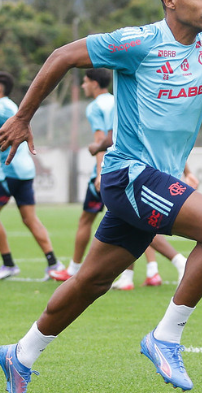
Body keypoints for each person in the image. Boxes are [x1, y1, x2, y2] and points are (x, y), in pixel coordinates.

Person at [0, 0, 202, 393]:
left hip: (157, 181)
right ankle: (166, 337)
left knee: (92, 283)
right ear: (170, 1)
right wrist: (22, 117)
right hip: (129, 174)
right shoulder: (137, 42)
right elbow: (62, 56)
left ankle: (20, 354)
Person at [56, 69, 186, 288]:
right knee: (134, 221)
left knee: (88, 220)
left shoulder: (96, 107)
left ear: (95, 84)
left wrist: (99, 173)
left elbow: (101, 140)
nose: (83, 87)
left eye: (86, 82)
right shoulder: (119, 99)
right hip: (135, 167)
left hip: (113, 171)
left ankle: (74, 269)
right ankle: (145, 273)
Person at [0, 71, 65, 281]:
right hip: (23, 170)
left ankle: (8, 264)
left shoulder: (3, 105)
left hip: (12, 170)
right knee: (29, 219)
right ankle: (53, 263)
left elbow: (19, 128)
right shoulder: (3, 107)